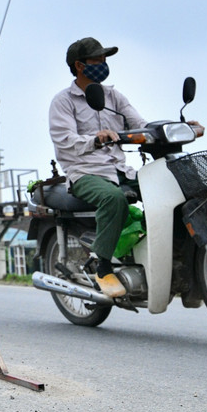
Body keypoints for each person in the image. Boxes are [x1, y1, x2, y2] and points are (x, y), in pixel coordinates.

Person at [48, 38, 145, 298]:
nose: (103, 65)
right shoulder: (63, 101)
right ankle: (102, 267)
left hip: (122, 170)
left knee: (169, 187)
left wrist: (176, 129)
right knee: (113, 198)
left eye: (105, 60)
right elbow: (65, 141)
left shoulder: (114, 96)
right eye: (97, 60)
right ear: (79, 65)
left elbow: (139, 125)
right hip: (85, 173)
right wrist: (95, 139)